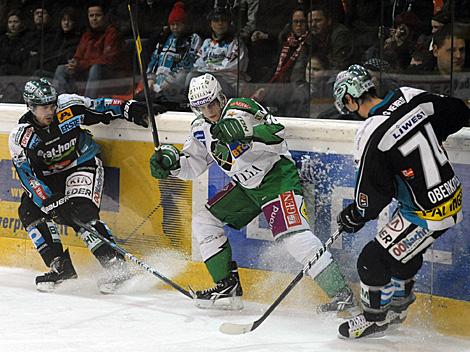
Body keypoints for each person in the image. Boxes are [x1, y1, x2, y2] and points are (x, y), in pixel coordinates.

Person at [149, 73, 354, 312]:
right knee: (205, 220)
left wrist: (247, 132)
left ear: (221, 97)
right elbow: (192, 166)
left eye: (212, 103)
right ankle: (227, 289)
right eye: (202, 107)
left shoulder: (242, 108)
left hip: (275, 178)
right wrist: (171, 164)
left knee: (295, 239)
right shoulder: (200, 129)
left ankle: (342, 295)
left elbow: (277, 132)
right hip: (246, 188)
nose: (210, 111)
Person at [332, 64, 470, 338]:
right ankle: (399, 303)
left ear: (349, 99)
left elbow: (373, 193)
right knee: (400, 252)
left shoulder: (371, 133)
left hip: (427, 212)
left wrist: (355, 215)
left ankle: (375, 319)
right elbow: (457, 112)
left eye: (346, 105)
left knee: (371, 260)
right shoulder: (409, 96)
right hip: (449, 195)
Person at [8, 78, 149, 293]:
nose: (50, 111)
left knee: (82, 212)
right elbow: (27, 176)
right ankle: (60, 266)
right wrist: (48, 201)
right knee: (29, 211)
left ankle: (116, 265)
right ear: (30, 107)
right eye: (44, 107)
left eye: (52, 105)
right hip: (50, 178)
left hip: (82, 162)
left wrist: (128, 108)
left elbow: (99, 107)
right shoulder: (21, 137)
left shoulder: (69, 106)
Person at [53, 1, 130, 97]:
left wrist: (81, 64)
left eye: (98, 15)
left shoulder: (112, 33)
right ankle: (64, 102)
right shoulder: (87, 35)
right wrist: (74, 63)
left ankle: (89, 103)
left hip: (111, 76)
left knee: (96, 68)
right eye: (91, 15)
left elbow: (107, 60)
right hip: (87, 73)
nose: (94, 18)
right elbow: (78, 55)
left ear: (105, 17)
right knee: (61, 69)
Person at [142, 1, 202, 106]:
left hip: (176, 84)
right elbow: (154, 59)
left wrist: (169, 80)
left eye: (178, 24)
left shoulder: (193, 39)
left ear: (185, 24)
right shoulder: (164, 39)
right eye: (172, 24)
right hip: (157, 83)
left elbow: (189, 62)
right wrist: (150, 78)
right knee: (139, 100)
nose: (174, 27)